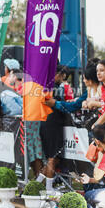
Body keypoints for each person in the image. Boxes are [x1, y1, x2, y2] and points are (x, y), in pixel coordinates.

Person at [37, 65, 68, 195]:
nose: (63, 78)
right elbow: (62, 107)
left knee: (52, 158)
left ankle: (35, 186)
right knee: (52, 158)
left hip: (45, 123)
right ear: (57, 74)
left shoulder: (45, 86)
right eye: (62, 75)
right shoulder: (54, 88)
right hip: (53, 125)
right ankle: (49, 189)